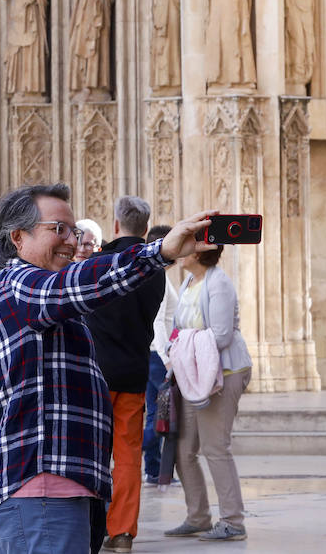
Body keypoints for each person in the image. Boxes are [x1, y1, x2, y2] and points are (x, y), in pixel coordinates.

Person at [0, 183, 213, 554]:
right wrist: (159, 253)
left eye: (74, 230)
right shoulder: (15, 284)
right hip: (39, 488)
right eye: (58, 229)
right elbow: (74, 286)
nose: (71, 240)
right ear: (18, 237)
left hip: (61, 489)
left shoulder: (38, 295)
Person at [82, 197, 162, 553]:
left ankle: (93, 525)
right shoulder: (155, 270)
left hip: (96, 373)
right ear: (145, 228)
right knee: (128, 454)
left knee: (93, 453)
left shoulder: (99, 263)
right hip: (133, 372)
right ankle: (123, 531)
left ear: (115, 225)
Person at [165, 242, 252, 542]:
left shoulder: (219, 283)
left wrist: (183, 344)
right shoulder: (189, 280)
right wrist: (176, 345)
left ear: (201, 252)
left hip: (223, 373)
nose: (180, 251)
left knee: (215, 447)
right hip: (194, 374)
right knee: (184, 449)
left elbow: (222, 335)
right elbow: (178, 326)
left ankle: (233, 521)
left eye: (187, 247)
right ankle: (198, 516)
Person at [141, 224, 176, 485]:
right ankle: (131, 450)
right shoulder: (157, 276)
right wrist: (166, 358)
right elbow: (158, 321)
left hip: (152, 354)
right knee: (161, 415)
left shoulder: (153, 274)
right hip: (156, 356)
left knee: (155, 412)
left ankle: (154, 470)